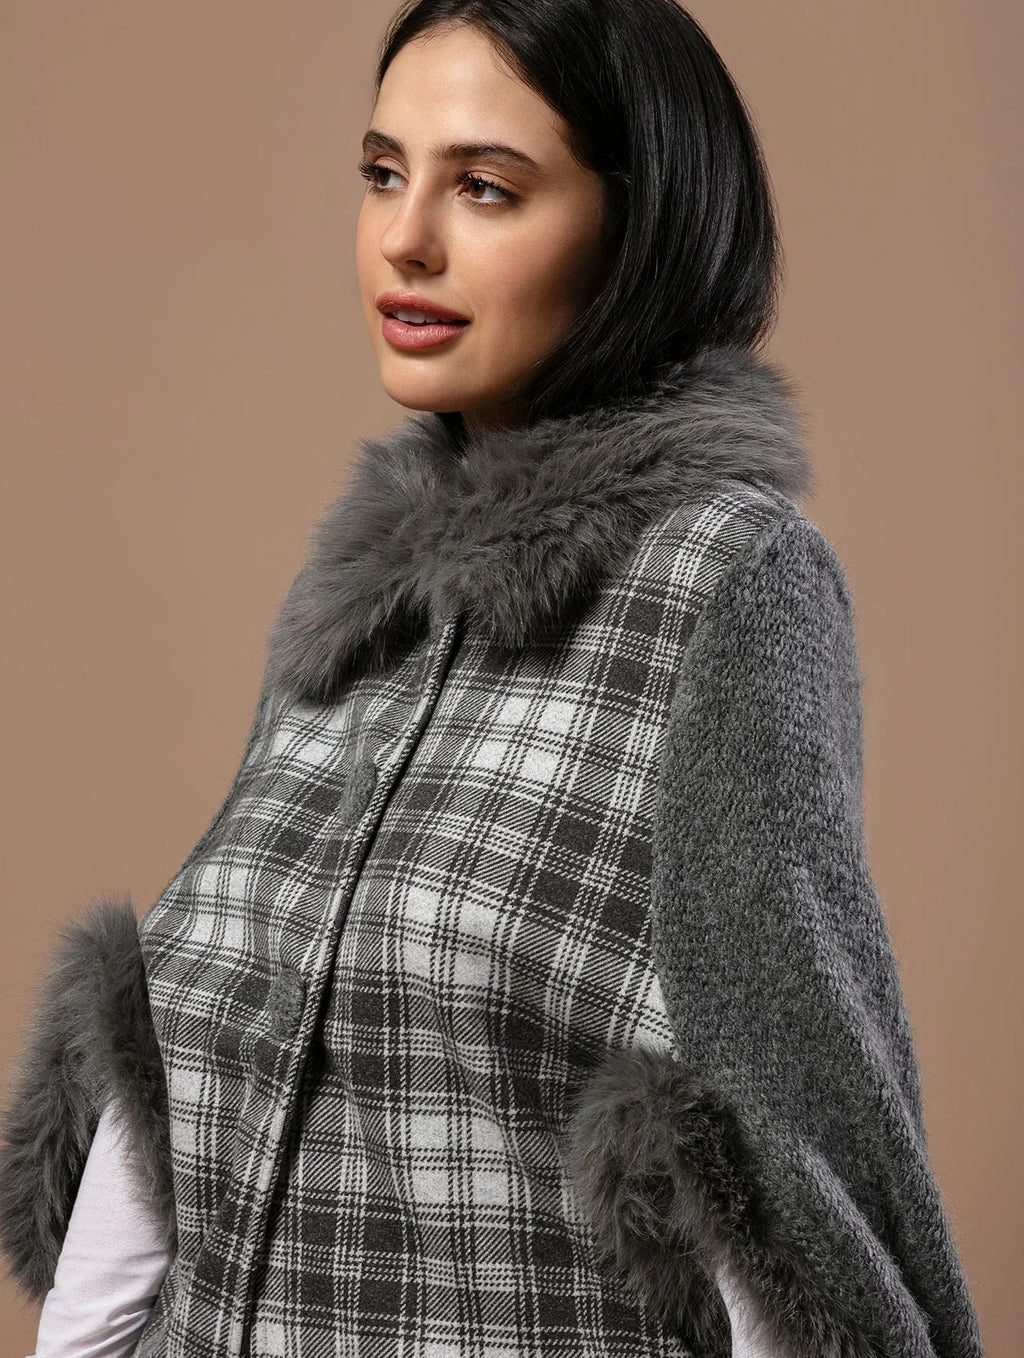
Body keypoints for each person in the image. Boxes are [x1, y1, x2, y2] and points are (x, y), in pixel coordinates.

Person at [0, 1, 984, 1356]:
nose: (405, 238)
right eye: (382, 172)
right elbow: (172, 1054)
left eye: (484, 187)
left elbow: (775, 1158)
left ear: (639, 229)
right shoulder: (359, 595)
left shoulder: (727, 582)